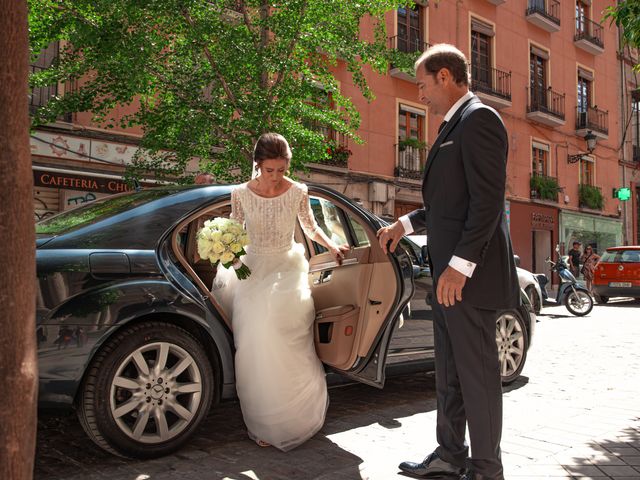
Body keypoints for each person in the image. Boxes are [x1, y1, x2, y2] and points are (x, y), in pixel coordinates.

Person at [377, 44, 519, 480]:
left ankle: (486, 468)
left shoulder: (480, 120)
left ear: (444, 76)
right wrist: (404, 223)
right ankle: (450, 454)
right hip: (447, 278)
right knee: (450, 374)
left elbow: (486, 203)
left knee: (477, 378)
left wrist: (459, 265)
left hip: (468, 280)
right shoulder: (452, 124)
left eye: (421, 83)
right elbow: (447, 204)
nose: (419, 93)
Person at [214, 132, 349, 451]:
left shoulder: (298, 191)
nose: (276, 177)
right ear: (258, 165)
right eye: (269, 170)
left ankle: (296, 415)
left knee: (286, 336)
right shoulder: (241, 193)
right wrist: (231, 256)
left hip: (287, 269)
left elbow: (310, 226)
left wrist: (332, 245)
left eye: (282, 170)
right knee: (254, 342)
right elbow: (234, 230)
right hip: (253, 269)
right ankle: (264, 421)